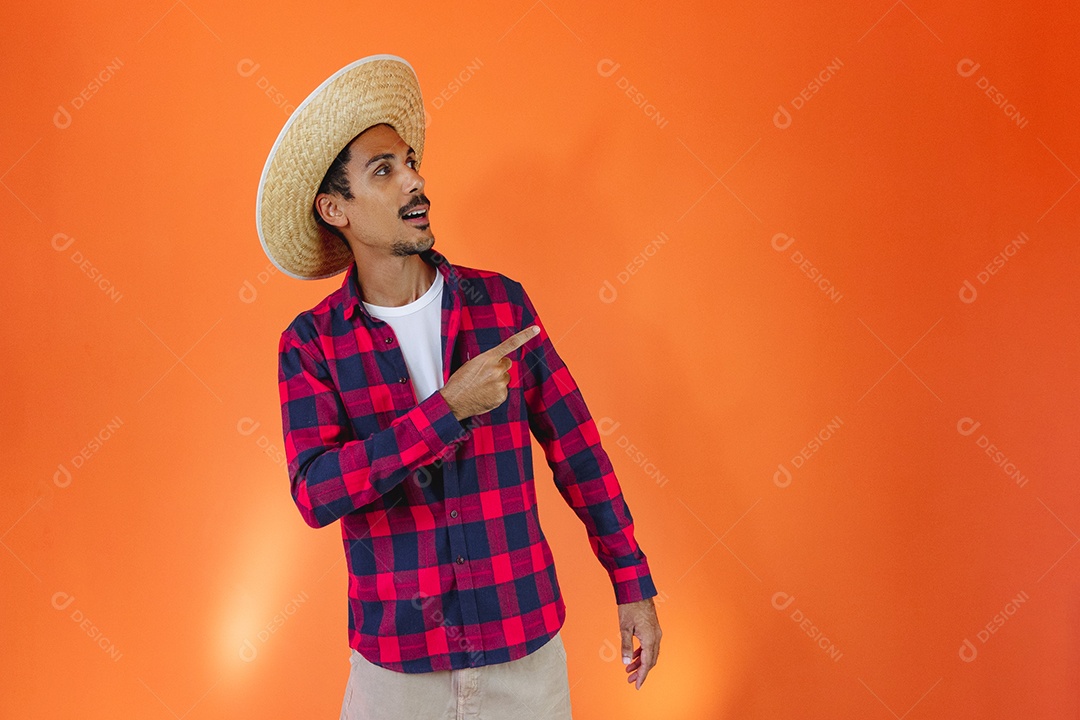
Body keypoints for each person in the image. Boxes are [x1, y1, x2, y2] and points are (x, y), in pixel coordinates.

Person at [255, 54, 661, 719]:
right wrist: (446, 410)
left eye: (411, 162)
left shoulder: (500, 304)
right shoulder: (311, 343)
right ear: (336, 209)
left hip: (524, 662)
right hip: (395, 676)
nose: (415, 182)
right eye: (383, 171)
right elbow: (318, 491)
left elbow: (579, 451)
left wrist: (633, 583)